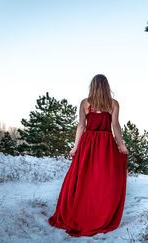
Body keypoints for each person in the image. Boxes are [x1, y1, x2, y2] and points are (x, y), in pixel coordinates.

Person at [48, 74, 129, 237]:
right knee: (104, 180)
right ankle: (100, 214)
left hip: (89, 143)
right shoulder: (113, 104)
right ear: (107, 86)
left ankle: (85, 212)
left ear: (92, 86)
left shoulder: (86, 103)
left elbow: (81, 126)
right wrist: (121, 145)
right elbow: (115, 126)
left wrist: (75, 147)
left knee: (84, 179)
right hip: (105, 144)